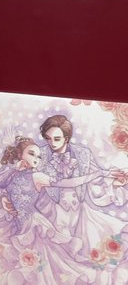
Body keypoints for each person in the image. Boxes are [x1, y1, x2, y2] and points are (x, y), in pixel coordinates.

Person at [0, 136, 108, 284]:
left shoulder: (37, 176)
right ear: (20, 154)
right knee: (31, 264)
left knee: (45, 264)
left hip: (35, 225)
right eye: (31, 154)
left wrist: (95, 175)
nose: (36, 159)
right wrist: (14, 169)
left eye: (38, 156)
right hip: (18, 224)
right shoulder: (12, 174)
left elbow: (67, 183)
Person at [36, 115, 128, 270]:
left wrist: (113, 182)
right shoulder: (39, 154)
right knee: (57, 254)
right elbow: (51, 182)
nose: (52, 143)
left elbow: (96, 180)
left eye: (57, 139)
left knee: (89, 251)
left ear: (66, 138)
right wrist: (100, 173)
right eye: (48, 138)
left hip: (79, 212)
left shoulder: (82, 153)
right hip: (53, 211)